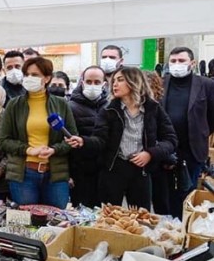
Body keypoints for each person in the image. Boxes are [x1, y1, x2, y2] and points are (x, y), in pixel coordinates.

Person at [66, 67, 177, 209]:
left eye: (120, 80)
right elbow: (100, 140)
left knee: (139, 217)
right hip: (114, 170)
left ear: (134, 82)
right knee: (110, 217)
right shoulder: (108, 110)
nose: (115, 84)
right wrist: (83, 141)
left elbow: (171, 139)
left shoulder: (153, 108)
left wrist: (150, 153)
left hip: (141, 171)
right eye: (114, 81)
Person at [0, 57, 77, 208]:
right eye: (27, 74)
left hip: (55, 174)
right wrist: (29, 149)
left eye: (35, 75)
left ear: (47, 78)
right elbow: (3, 140)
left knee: (58, 221)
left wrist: (54, 150)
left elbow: (71, 139)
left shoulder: (61, 104)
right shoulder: (14, 105)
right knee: (27, 223)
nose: (29, 78)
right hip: (24, 174)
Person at [160, 47, 214, 218]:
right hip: (164, 150)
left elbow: (211, 116)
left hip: (192, 150)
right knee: (164, 196)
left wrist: (201, 132)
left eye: (181, 61)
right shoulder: (160, 83)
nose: (177, 64)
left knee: (186, 194)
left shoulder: (206, 85)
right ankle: (165, 232)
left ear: (192, 63)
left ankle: (186, 232)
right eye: (173, 61)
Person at [68, 66, 108, 207]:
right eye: (89, 81)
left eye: (97, 82)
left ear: (104, 84)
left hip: (104, 170)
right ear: (82, 82)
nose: (93, 85)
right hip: (79, 170)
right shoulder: (70, 107)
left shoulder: (110, 106)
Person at [144, 71, 171, 215]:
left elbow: (168, 136)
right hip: (142, 163)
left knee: (161, 201)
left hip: (157, 161)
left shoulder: (157, 107)